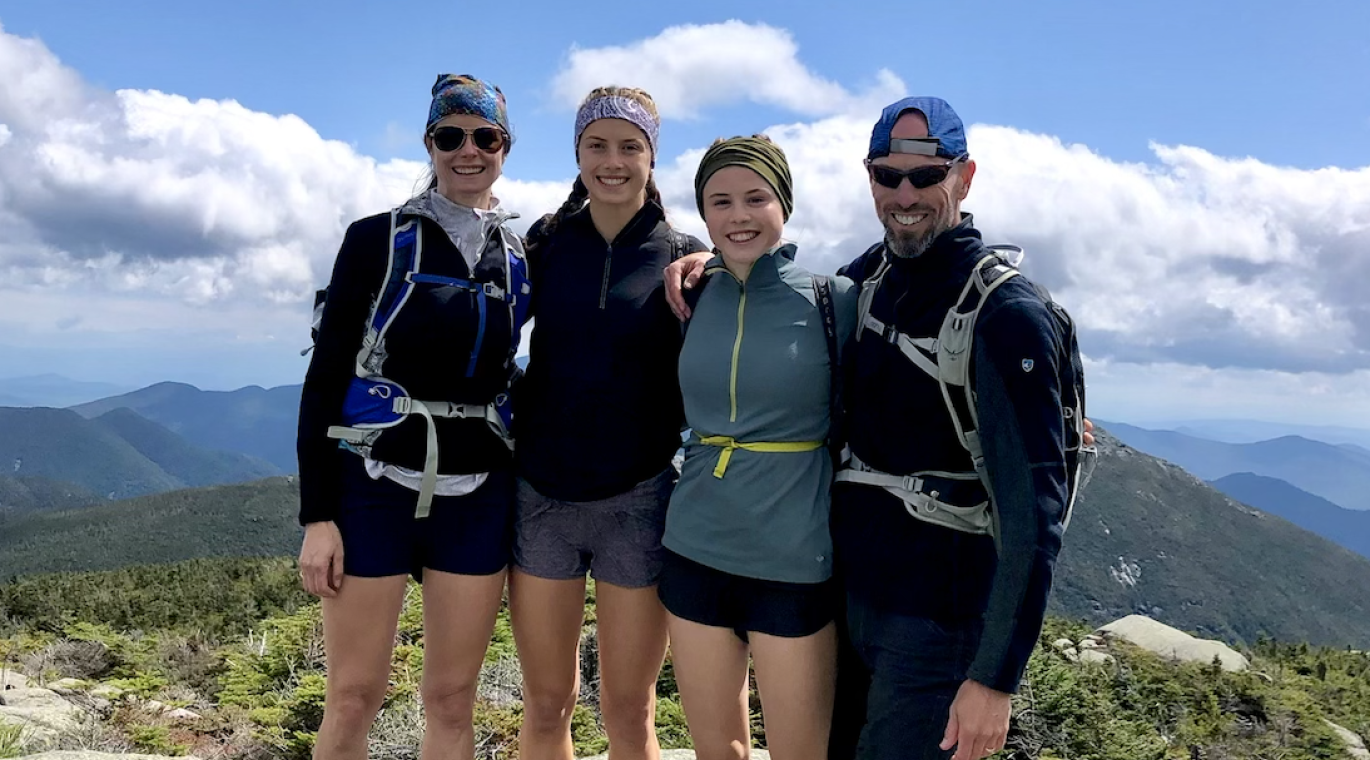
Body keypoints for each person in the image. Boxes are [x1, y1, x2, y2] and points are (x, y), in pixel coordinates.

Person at [666, 97, 1093, 760]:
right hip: (849, 597)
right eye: (885, 175)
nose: (904, 194)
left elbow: (1034, 516)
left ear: (964, 177)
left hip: (937, 621)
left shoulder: (1007, 313)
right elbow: (778, 291)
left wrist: (994, 680)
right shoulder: (875, 275)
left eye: (926, 177)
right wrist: (708, 265)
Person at [295, 74, 529, 760]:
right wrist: (317, 516)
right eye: (450, 136)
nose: (468, 150)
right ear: (429, 143)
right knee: (353, 696)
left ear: (504, 147)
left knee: (453, 700)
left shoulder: (516, 256)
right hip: (372, 483)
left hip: (479, 492)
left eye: (485, 137)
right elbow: (325, 375)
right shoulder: (375, 239)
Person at [509, 86, 711, 760]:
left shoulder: (684, 256)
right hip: (541, 494)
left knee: (630, 711)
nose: (613, 160)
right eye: (597, 144)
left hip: (639, 498)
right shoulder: (545, 244)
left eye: (631, 146)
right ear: (577, 153)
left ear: (653, 157)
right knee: (546, 706)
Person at [658, 135, 857, 760]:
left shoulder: (834, 301)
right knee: (719, 751)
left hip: (794, 560)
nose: (737, 215)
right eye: (719, 201)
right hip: (693, 548)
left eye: (755, 197)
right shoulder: (689, 296)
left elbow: (907, 397)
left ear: (784, 205)